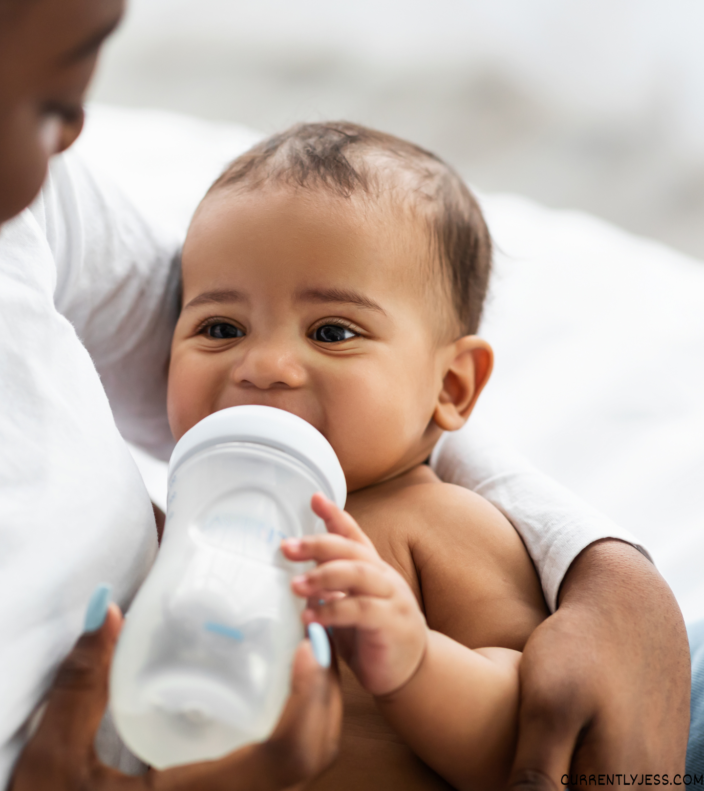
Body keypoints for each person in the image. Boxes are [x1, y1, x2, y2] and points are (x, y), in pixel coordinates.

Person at [0, 1, 690, 789]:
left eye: (82, 90)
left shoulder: (3, 235)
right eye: (47, 106)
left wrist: (605, 571)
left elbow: (340, 370)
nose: (78, 141)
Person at [165, 121, 547, 790]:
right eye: (221, 328)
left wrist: (415, 659)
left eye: (332, 331)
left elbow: (533, 739)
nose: (266, 365)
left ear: (451, 385)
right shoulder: (186, 525)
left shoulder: (442, 524)